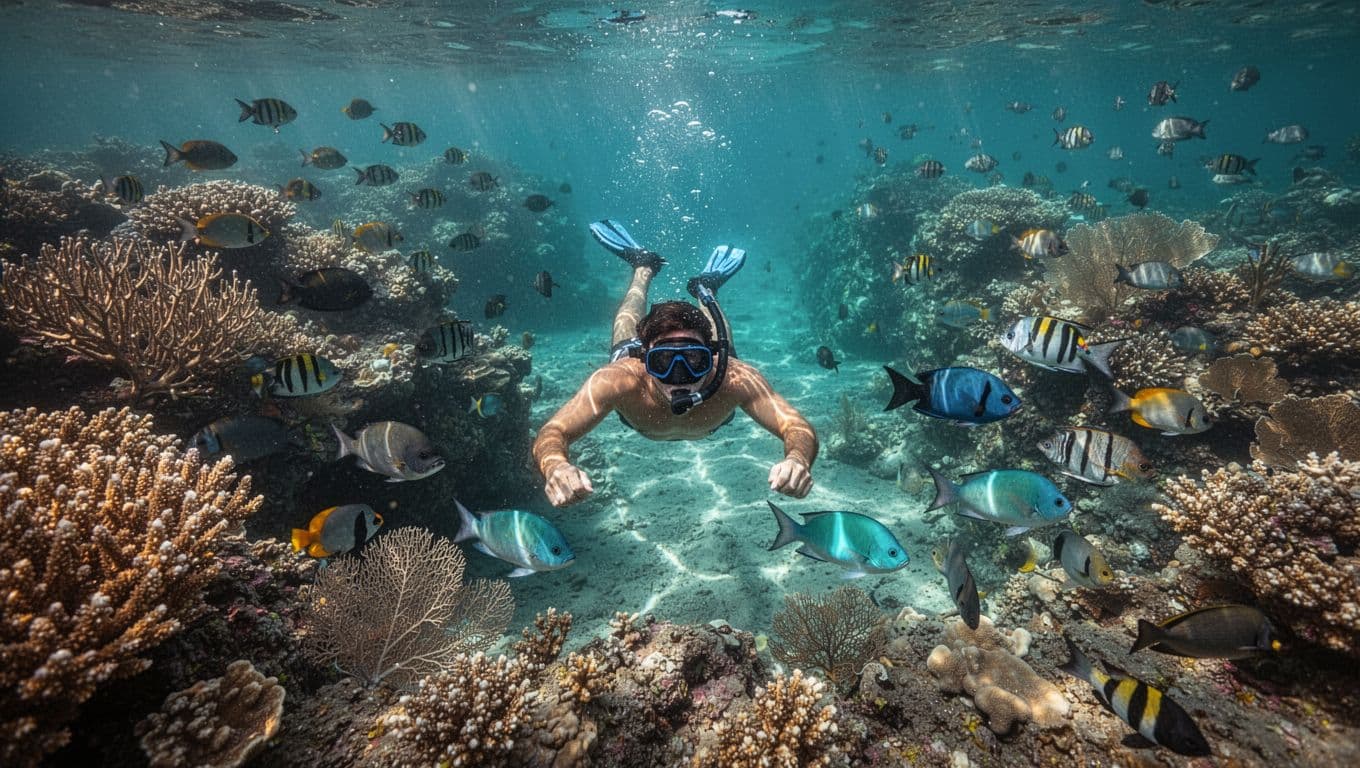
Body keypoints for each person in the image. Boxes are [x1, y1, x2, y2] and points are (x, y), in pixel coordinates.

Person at [532, 219, 818, 508]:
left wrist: (797, 459)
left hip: (717, 364)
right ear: (645, 359)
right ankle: (643, 268)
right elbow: (553, 432)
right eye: (664, 360)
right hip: (640, 363)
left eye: (694, 358)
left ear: (709, 356)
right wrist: (556, 466)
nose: (679, 374)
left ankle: (706, 289)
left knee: (727, 350)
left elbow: (796, 426)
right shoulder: (618, 380)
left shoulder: (733, 378)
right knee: (624, 334)